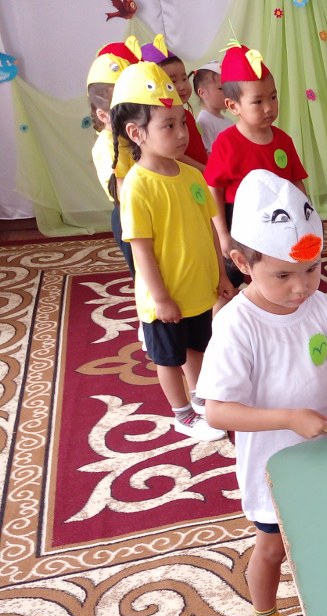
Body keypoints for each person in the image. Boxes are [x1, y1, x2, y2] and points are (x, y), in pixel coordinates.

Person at [198, 171, 327, 616]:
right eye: (282, 275)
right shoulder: (237, 325)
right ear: (242, 263)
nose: (301, 287)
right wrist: (289, 418)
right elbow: (216, 410)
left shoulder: (322, 307)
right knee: (273, 546)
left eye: (312, 269)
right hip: (272, 463)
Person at [111, 61, 234, 441]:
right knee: (169, 357)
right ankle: (182, 414)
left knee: (197, 346)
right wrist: (161, 298)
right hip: (164, 297)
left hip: (198, 289)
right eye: (169, 126)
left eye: (182, 123)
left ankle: (199, 397)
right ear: (137, 133)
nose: (182, 133)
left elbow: (208, 228)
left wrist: (220, 273)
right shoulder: (137, 186)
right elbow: (142, 250)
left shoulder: (193, 176)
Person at [205, 41, 309, 288]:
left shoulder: (283, 140)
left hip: (280, 217)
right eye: (258, 101)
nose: (269, 107)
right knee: (237, 276)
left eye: (273, 97)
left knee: (278, 271)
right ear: (233, 106)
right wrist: (223, 234)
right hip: (240, 219)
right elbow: (214, 190)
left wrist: (305, 217)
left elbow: (296, 182)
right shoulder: (226, 143)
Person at [87, 39, 139, 278]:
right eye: (125, 110)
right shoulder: (107, 147)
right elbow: (124, 191)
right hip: (129, 216)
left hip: (147, 208)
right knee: (143, 272)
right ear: (103, 115)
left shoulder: (129, 137)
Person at [139, 34, 209, 171]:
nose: (182, 86)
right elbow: (177, 157)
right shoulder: (160, 123)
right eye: (172, 81)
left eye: (184, 78)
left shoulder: (186, 115)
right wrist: (204, 170)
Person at [192, 60, 233, 153]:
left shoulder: (228, 121)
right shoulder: (204, 121)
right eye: (221, 88)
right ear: (202, 93)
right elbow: (210, 154)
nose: (228, 92)